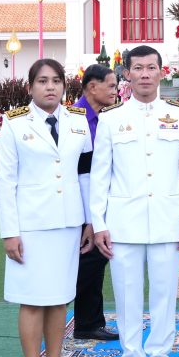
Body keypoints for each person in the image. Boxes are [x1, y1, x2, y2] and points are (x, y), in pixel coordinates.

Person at [91, 46, 179, 357]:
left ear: (162, 72)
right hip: (124, 222)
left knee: (164, 295)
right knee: (127, 295)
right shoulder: (111, 119)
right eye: (138, 68)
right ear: (127, 74)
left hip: (167, 218)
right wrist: (99, 222)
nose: (146, 74)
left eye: (152, 67)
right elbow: (100, 174)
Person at [0, 59, 94, 357]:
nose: (50, 87)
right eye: (42, 81)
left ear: (64, 87)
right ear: (30, 87)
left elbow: (85, 175)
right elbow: (6, 181)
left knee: (59, 300)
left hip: (68, 223)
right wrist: (10, 232)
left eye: (55, 81)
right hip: (31, 226)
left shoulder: (78, 122)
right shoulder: (14, 124)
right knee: (32, 301)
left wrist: (89, 221)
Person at [71, 65, 120, 341]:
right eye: (111, 86)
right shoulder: (76, 120)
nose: (115, 91)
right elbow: (83, 174)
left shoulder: (106, 118)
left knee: (96, 260)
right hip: (81, 203)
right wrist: (90, 217)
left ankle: (90, 320)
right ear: (92, 87)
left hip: (100, 201)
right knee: (90, 261)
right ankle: (86, 322)